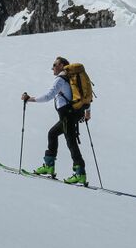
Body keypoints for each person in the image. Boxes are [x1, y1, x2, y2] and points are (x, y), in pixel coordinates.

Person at [22, 56, 91, 185]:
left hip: (67, 115)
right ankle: (49, 165)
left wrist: (30, 99)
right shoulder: (71, 79)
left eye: (54, 65)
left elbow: (48, 96)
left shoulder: (60, 79)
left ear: (61, 66)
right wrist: (87, 112)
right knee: (53, 134)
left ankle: (80, 173)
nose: (52, 67)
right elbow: (85, 95)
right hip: (74, 113)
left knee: (71, 142)